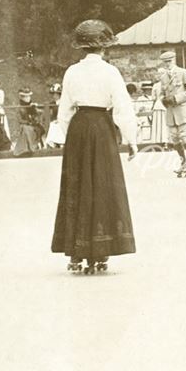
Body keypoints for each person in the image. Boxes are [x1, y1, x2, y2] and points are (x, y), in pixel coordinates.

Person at [51, 20, 138, 275]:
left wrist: (67, 138)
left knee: (77, 186)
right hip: (101, 128)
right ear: (104, 48)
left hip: (78, 128)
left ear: (81, 47)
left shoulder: (71, 72)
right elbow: (122, 106)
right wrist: (131, 139)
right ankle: (101, 251)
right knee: (102, 184)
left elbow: (64, 109)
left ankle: (76, 252)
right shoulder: (110, 72)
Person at [158, 50, 186, 175]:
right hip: (171, 112)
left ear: (174, 60)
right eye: (165, 62)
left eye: (169, 61)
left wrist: (176, 98)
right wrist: (163, 99)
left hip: (183, 110)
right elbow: (161, 93)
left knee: (184, 136)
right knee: (175, 139)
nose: (167, 64)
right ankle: (183, 162)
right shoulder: (163, 77)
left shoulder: (183, 72)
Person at [12, 88, 44, 156]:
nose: (27, 98)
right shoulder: (19, 107)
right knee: (26, 128)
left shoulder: (32, 105)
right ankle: (24, 149)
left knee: (30, 129)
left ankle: (32, 147)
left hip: (34, 124)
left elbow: (39, 114)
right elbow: (19, 119)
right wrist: (27, 122)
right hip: (25, 124)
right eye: (25, 96)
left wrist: (35, 110)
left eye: (28, 96)